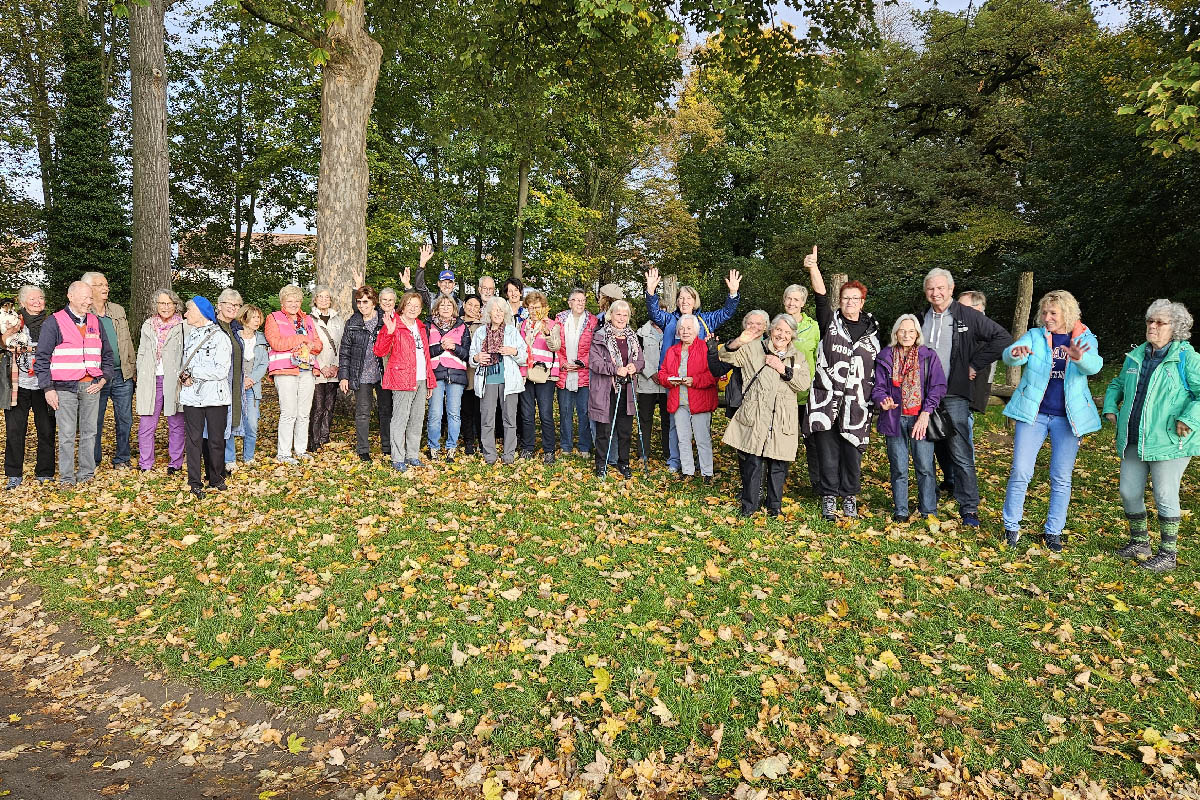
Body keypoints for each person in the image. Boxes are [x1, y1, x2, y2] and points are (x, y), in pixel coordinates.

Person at [1000, 291, 1103, 551]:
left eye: (1053, 313)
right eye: (1044, 313)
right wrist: (1016, 353)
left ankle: (1053, 532)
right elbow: (1010, 356)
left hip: (1067, 419)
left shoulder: (1083, 337)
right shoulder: (1035, 336)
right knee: (1021, 470)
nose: (1047, 318)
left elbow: (1095, 365)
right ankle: (1011, 527)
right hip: (1033, 415)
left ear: (1067, 313)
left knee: (1061, 476)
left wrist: (1079, 357)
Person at [1103, 299, 1200, 572]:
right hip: (1136, 437)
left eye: (1160, 322)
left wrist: (1189, 418)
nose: (1152, 326)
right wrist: (1111, 405)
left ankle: (1168, 555)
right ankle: (1140, 542)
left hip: (1171, 440)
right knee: (1128, 491)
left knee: (1165, 494)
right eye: (1150, 321)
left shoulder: (1187, 358)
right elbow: (1117, 383)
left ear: (1176, 328)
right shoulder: (1136, 355)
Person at [921, 268, 1012, 526]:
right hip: (924, 394)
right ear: (925, 292)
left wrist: (974, 365)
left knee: (960, 450)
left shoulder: (967, 316)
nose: (935, 293)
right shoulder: (920, 318)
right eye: (931, 288)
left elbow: (1002, 338)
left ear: (951, 289)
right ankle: (929, 502)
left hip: (954, 393)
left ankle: (969, 507)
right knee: (929, 448)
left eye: (941, 288)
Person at [802, 248, 880, 520]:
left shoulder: (873, 331)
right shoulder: (830, 323)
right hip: (826, 400)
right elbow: (821, 297)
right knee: (827, 451)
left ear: (862, 302)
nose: (849, 303)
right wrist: (813, 268)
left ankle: (849, 496)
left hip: (857, 403)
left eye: (854, 299)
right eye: (845, 298)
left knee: (851, 451)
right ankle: (829, 497)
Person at [644, 266, 742, 474]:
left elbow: (726, 313)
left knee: (701, 427)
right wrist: (651, 292)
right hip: (674, 379)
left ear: (695, 301)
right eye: (681, 298)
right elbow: (653, 312)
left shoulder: (705, 320)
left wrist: (733, 294)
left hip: (700, 381)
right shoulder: (669, 319)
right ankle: (675, 461)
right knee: (675, 423)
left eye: (688, 298)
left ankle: (703, 464)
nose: (684, 301)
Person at [720, 314, 811, 516]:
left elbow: (803, 384)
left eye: (787, 332)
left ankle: (774, 507)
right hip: (756, 414)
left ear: (792, 336)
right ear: (771, 330)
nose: (782, 335)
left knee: (778, 465)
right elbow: (726, 357)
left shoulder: (797, 357)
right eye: (779, 330)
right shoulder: (754, 349)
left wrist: (782, 368)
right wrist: (739, 341)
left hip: (782, 418)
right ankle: (749, 507)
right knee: (753, 462)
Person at [34, 281, 114, 486]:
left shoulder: (96, 322)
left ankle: (87, 475)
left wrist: (103, 378)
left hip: (92, 386)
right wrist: (48, 388)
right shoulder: (54, 322)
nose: (89, 302)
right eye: (85, 298)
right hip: (64, 387)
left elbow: (107, 354)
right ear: (70, 296)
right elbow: (42, 358)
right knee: (67, 434)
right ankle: (67, 478)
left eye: (90, 298)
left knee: (90, 432)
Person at [872, 315, 947, 523]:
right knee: (898, 467)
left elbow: (938, 387)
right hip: (894, 418)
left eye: (911, 331)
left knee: (924, 466)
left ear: (917, 335)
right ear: (896, 333)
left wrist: (926, 412)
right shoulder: (885, 356)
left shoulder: (927, 356)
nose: (906, 335)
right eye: (902, 331)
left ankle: (928, 510)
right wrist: (882, 400)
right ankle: (901, 510)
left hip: (920, 419)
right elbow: (878, 388)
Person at [374, 291, 436, 471]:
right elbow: (379, 351)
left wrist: (430, 380)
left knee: (417, 419)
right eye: (410, 305)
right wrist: (389, 333)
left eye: (417, 306)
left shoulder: (420, 326)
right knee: (400, 418)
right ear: (403, 306)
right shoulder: (394, 324)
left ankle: (412, 455)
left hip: (421, 378)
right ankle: (398, 457)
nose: (413, 309)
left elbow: (426, 355)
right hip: (402, 378)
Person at [178, 296, 232, 498]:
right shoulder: (191, 335)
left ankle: (216, 478)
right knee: (193, 441)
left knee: (216, 440)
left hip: (216, 397)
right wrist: (184, 377)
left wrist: (194, 373)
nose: (185, 314)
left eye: (188, 310)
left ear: (200, 312)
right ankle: (194, 481)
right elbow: (185, 364)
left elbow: (221, 371)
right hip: (192, 396)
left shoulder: (220, 337)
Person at [2, 285, 55, 488]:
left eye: (40, 298)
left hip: (44, 384)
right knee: (15, 430)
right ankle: (14, 474)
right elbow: (5, 343)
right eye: (32, 299)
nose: (37, 302)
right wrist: (12, 334)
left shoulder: (52, 322)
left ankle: (45, 472)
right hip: (18, 384)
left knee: (47, 429)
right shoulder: (12, 321)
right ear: (22, 302)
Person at [82, 271, 136, 470]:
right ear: (88, 288)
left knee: (125, 419)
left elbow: (127, 341)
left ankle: (122, 458)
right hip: (96, 377)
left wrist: (132, 366)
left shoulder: (117, 310)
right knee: (94, 419)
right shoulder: (84, 314)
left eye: (106, 284)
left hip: (122, 374)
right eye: (99, 285)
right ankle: (93, 460)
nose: (105, 288)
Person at [265, 284, 322, 464]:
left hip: (307, 370)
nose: (294, 304)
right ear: (282, 302)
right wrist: (302, 339)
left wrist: (312, 345)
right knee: (289, 412)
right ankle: (283, 453)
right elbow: (276, 343)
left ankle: (300, 449)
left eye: (297, 300)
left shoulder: (307, 320)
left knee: (304, 413)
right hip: (285, 370)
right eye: (290, 301)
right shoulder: (273, 318)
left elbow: (318, 344)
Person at [657, 315, 718, 483]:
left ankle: (707, 473)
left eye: (689, 328)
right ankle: (688, 471)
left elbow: (714, 376)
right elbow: (662, 374)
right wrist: (670, 379)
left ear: (696, 331)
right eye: (682, 329)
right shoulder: (672, 351)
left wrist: (694, 380)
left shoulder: (705, 349)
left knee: (702, 439)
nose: (685, 332)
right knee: (683, 438)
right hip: (679, 401)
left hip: (699, 400)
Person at [589, 299, 644, 479]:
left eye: (625, 314)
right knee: (604, 429)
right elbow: (595, 363)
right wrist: (615, 369)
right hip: (606, 389)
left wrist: (634, 367)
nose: (621, 317)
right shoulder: (600, 336)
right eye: (618, 314)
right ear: (610, 315)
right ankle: (601, 464)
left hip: (627, 388)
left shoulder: (633, 337)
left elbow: (640, 361)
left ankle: (624, 463)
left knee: (625, 430)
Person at [469, 297, 527, 465]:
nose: (498, 313)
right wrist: (477, 357)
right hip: (488, 380)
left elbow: (524, 357)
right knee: (487, 419)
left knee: (510, 419)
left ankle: (509, 454)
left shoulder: (512, 331)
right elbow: (472, 358)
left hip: (508, 381)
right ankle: (489, 454)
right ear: (489, 313)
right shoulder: (481, 332)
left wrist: (513, 351)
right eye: (495, 310)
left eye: (501, 310)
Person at [134, 289, 186, 474]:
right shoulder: (148, 324)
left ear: (175, 305)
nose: (165, 307)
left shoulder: (183, 326)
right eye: (162, 303)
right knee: (147, 424)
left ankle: (175, 463)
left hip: (174, 380)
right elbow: (141, 351)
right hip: (151, 379)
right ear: (156, 305)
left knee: (177, 424)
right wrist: (141, 372)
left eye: (169, 303)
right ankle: (145, 463)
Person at [338, 285, 388, 462]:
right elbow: (345, 351)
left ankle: (387, 447)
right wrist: (344, 376)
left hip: (383, 374)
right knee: (362, 412)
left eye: (365, 302)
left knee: (386, 411)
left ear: (374, 302)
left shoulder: (385, 319)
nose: (362, 305)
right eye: (358, 302)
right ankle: (363, 449)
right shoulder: (352, 322)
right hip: (361, 374)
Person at [783, 284, 821, 492]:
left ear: (803, 303)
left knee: (812, 441)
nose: (792, 303)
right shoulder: (777, 325)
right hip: (783, 395)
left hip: (807, 395)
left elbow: (819, 358)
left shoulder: (813, 327)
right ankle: (779, 480)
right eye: (789, 298)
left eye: (796, 300)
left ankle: (818, 484)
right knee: (782, 438)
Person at [519, 291, 563, 463]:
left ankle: (549, 450)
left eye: (537, 307)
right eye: (530, 307)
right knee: (527, 414)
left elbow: (556, 346)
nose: (534, 310)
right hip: (527, 374)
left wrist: (546, 333)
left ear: (544, 308)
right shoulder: (522, 326)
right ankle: (528, 447)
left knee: (546, 414)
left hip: (546, 375)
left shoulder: (553, 325)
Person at [557, 288, 598, 458]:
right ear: (570, 302)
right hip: (564, 373)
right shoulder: (559, 320)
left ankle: (584, 446)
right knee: (565, 411)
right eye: (577, 300)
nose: (580, 303)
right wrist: (563, 363)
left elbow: (596, 348)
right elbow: (554, 346)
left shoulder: (592, 321)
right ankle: (566, 446)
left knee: (584, 411)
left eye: (583, 300)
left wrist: (583, 363)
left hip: (584, 374)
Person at [427, 295, 469, 461]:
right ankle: (433, 447)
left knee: (453, 414)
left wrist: (454, 348)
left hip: (456, 375)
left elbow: (467, 354)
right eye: (442, 305)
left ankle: (451, 447)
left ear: (454, 309)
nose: (445, 308)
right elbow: (424, 352)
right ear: (436, 308)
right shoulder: (428, 325)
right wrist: (440, 347)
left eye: (449, 305)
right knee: (435, 413)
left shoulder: (462, 327)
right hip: (435, 373)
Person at [230, 305, 268, 464]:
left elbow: (264, 363)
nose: (257, 321)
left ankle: (249, 457)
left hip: (252, 387)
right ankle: (229, 459)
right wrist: (240, 379)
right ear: (244, 318)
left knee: (252, 423)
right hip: (233, 386)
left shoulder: (261, 339)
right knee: (230, 423)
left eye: (259, 318)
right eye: (254, 317)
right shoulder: (233, 337)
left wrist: (251, 379)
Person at [308, 286, 344, 452]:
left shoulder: (338, 319)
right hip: (317, 370)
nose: (323, 299)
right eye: (320, 297)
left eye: (327, 297)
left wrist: (336, 365)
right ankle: (313, 440)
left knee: (330, 406)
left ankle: (325, 436)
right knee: (317, 407)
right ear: (315, 299)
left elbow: (343, 344)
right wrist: (322, 366)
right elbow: (308, 345)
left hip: (334, 371)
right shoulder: (309, 320)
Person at [213, 289, 245, 472]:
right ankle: (217, 461)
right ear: (219, 305)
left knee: (231, 418)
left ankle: (229, 458)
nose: (233, 308)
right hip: (217, 384)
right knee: (218, 421)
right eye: (229, 304)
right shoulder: (213, 326)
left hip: (234, 382)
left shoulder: (235, 329)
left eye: (237, 305)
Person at [635, 318, 669, 461]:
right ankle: (643, 453)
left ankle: (669, 453)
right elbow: (637, 355)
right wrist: (651, 373)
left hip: (666, 384)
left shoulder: (671, 332)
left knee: (667, 420)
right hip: (646, 383)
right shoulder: (641, 333)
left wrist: (663, 375)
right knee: (645, 419)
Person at [403, 243, 463, 316]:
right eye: (443, 282)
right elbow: (420, 287)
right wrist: (422, 265)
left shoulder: (460, 304)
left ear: (454, 284)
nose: (447, 285)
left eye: (450, 282)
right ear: (438, 283)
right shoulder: (432, 298)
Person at [460, 295, 484, 455]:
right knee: (465, 409)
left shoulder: (484, 325)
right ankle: (468, 441)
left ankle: (482, 440)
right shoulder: (456, 322)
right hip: (461, 372)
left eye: (477, 306)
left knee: (480, 410)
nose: (473, 308)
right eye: (470, 304)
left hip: (479, 373)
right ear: (464, 305)